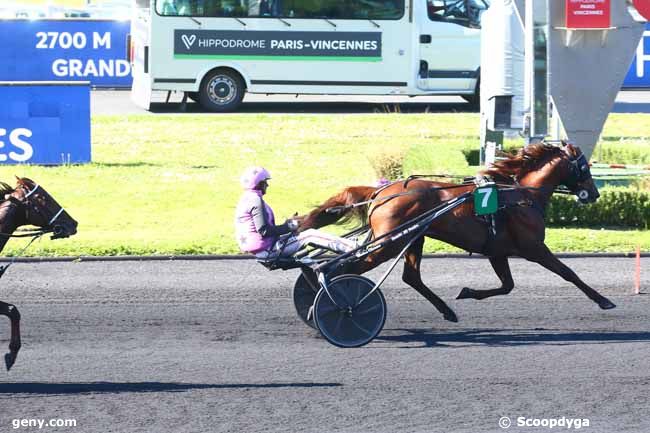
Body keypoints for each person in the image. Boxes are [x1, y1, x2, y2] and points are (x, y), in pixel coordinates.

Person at [234, 166, 358, 259]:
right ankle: (353, 248)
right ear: (259, 184)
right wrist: (289, 226)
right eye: (265, 182)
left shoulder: (246, 198)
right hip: (269, 250)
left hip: (265, 248)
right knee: (311, 235)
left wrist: (287, 225)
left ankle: (347, 245)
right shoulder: (255, 201)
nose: (267, 185)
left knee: (304, 233)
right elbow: (264, 231)